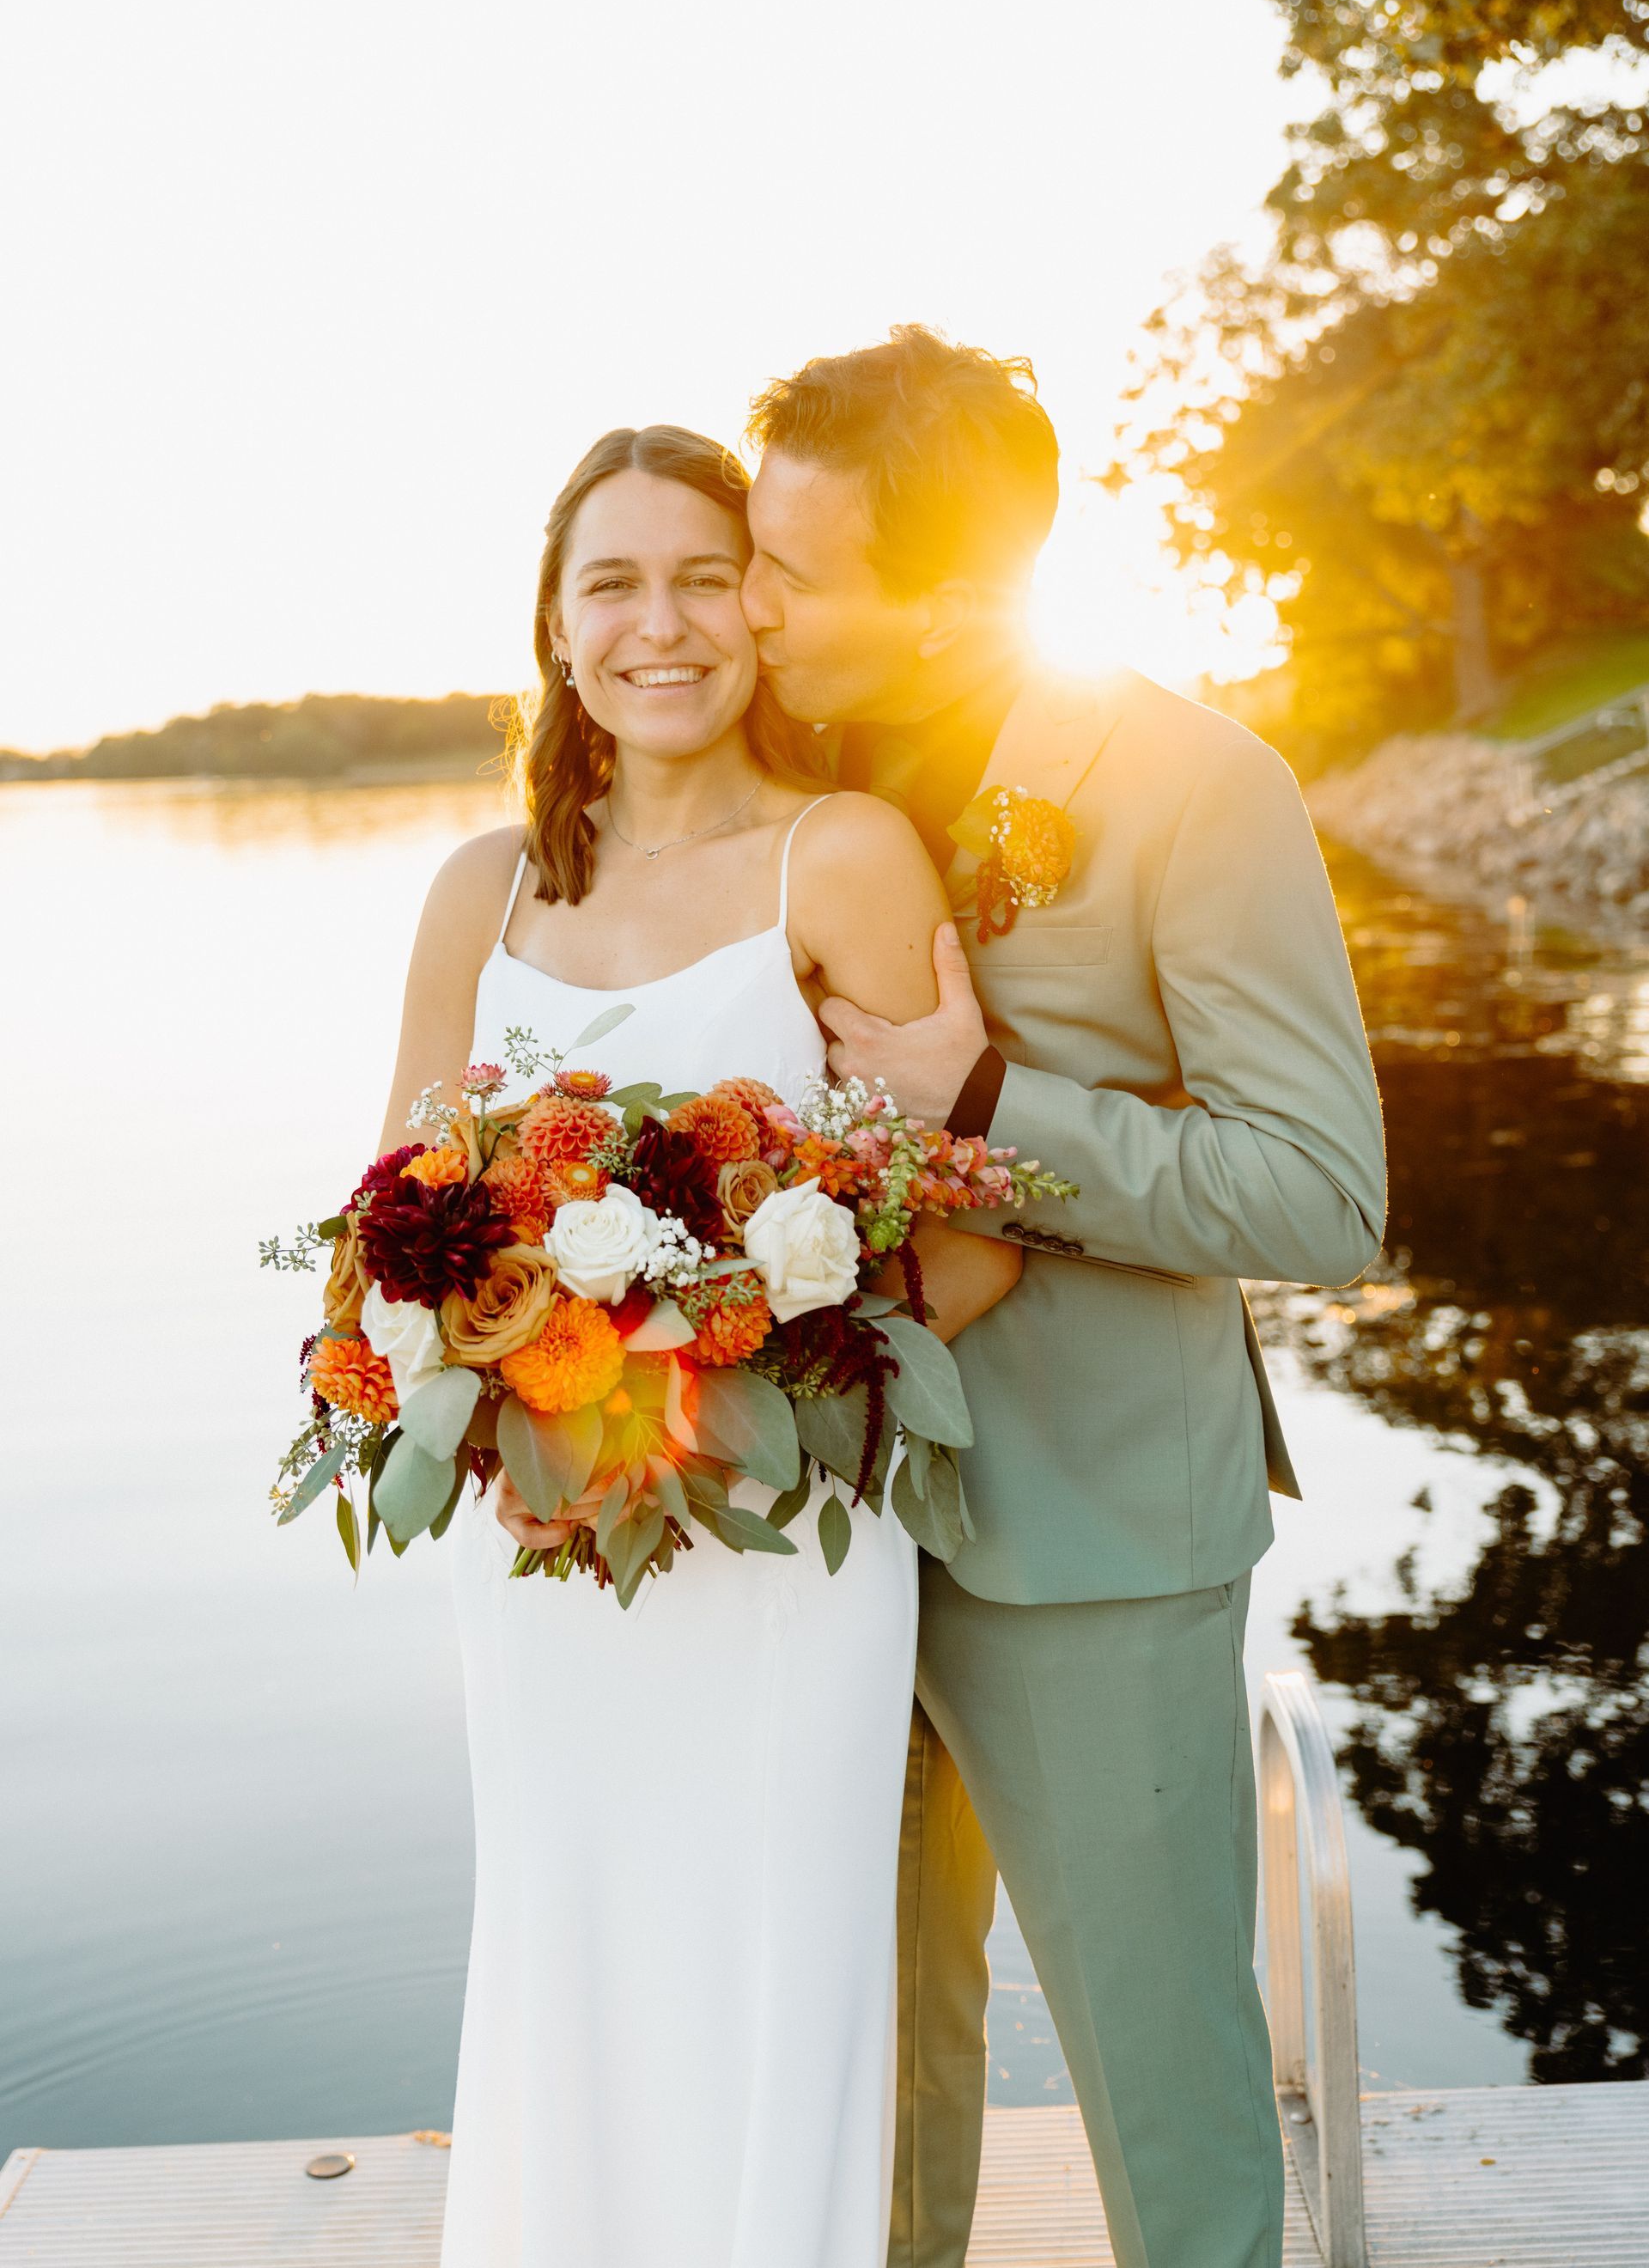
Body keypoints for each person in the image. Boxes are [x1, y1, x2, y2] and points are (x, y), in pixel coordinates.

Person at [741, 327, 1388, 2268]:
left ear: (942, 596)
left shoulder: (1197, 780)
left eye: (788, 568)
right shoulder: (763, 778)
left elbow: (1324, 1190)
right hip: (815, 1520)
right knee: (863, 2073)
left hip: (1098, 1527)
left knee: (1162, 2088)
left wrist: (993, 1110)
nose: (744, 599)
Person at [376, 423, 1022, 2268]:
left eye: (703, 574)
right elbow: (396, 1230)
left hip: (778, 1538)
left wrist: (745, 1387)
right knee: (568, 1937)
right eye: (614, 582)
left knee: (777, 1958)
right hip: (544, 1549)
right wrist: (508, 1378)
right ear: (558, 628)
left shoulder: (843, 853)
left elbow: (970, 1238)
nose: (661, 623)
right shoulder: (476, 892)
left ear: (761, 608)